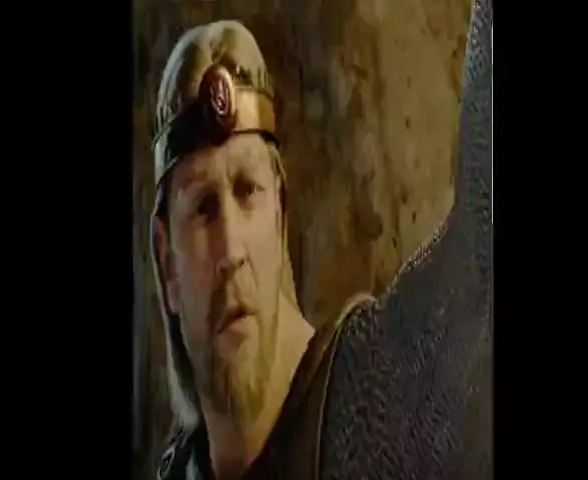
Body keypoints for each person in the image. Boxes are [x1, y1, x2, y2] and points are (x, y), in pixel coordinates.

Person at [150, 1, 492, 478]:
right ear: (167, 262)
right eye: (204, 209)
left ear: (279, 213)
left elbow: (482, 256)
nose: (231, 250)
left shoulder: (383, 394)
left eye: (247, 191)